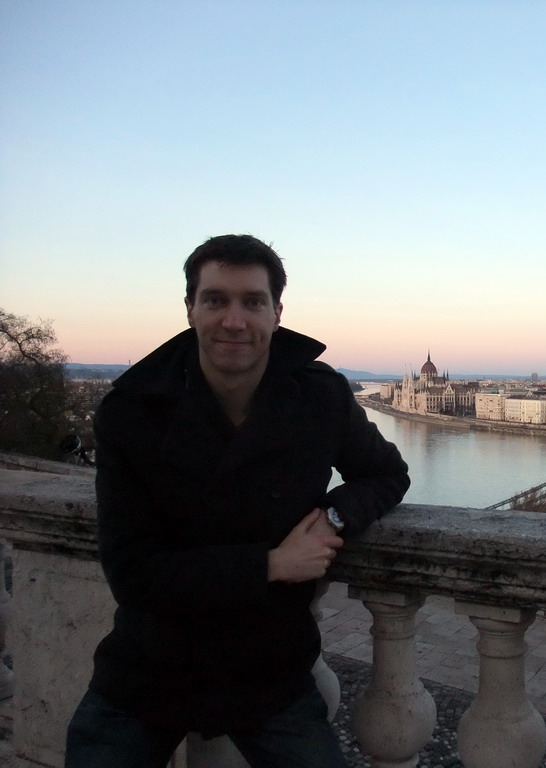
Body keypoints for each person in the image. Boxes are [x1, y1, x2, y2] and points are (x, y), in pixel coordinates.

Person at [65, 234, 410, 768]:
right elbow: (132, 572)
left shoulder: (319, 395)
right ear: (190, 309)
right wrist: (271, 564)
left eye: (252, 301)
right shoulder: (131, 413)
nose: (234, 320)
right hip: (150, 665)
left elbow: (387, 473)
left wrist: (333, 517)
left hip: (266, 666)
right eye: (215, 299)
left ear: (276, 312)